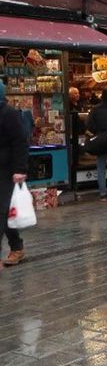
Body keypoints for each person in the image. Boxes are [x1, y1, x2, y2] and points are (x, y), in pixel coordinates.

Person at [0, 81, 28, 267]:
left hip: (7, 170)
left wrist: (19, 170)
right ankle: (17, 247)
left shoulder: (9, 114)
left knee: (2, 212)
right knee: (5, 212)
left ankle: (16, 248)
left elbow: (20, 142)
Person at [68, 87, 87, 196]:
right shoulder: (69, 106)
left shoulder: (79, 105)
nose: (77, 95)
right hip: (73, 135)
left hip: (80, 134)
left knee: (79, 150)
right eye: (75, 93)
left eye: (78, 93)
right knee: (75, 153)